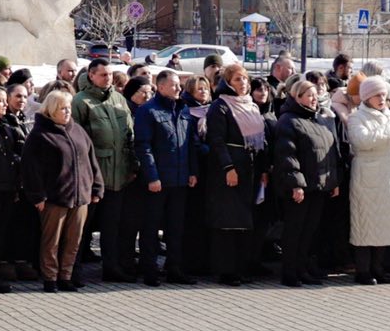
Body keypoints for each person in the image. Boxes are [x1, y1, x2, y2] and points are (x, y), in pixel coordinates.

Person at [19, 88, 101, 292]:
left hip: (80, 196)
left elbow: (91, 161)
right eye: (62, 108)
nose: (67, 112)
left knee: (74, 240)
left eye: (68, 108)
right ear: (51, 110)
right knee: (52, 241)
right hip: (54, 198)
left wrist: (96, 187)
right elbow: (30, 169)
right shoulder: (40, 135)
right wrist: (37, 195)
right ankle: (50, 277)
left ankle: (66, 275)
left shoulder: (78, 131)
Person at [200, 66, 269, 287]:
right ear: (228, 82)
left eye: (245, 79)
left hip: (250, 168)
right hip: (230, 169)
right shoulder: (220, 106)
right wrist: (228, 167)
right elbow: (217, 140)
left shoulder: (251, 105)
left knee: (245, 220)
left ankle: (242, 266)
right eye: (238, 79)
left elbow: (261, 140)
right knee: (228, 220)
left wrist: (264, 170)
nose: (244, 83)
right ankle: (226, 270)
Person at [132, 69, 198, 286]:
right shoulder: (148, 111)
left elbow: (190, 144)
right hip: (158, 181)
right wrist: (152, 176)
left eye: (179, 85)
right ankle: (149, 269)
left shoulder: (184, 110)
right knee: (151, 227)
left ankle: (175, 269)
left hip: (180, 179)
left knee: (176, 227)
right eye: (174, 85)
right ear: (160, 87)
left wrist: (192, 172)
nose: (179, 88)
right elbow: (143, 146)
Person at [272, 79, 340, 287]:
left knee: (309, 231)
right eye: (308, 95)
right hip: (300, 188)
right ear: (297, 97)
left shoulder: (317, 120)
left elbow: (329, 154)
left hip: (318, 186)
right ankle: (290, 272)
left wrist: (334, 181)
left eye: (314, 95)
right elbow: (287, 156)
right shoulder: (288, 121)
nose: (313, 99)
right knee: (295, 231)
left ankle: (302, 270)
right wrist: (296, 184)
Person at [73, 60, 135, 281]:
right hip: (94, 175)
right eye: (102, 75)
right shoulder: (81, 101)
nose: (107, 78)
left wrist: (132, 165)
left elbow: (130, 133)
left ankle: (111, 268)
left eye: (109, 74)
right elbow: (75, 139)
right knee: (83, 227)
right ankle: (73, 270)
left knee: (112, 226)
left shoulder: (119, 99)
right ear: (91, 75)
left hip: (119, 174)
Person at [346, 80, 390, 285]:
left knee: (385, 224)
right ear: (366, 97)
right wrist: (386, 134)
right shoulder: (357, 117)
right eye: (377, 95)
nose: (381, 99)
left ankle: (378, 268)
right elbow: (360, 140)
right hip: (368, 178)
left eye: (384, 95)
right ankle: (363, 270)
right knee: (366, 224)